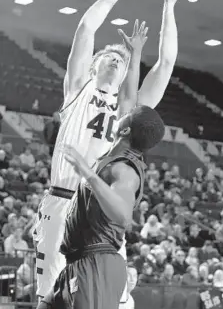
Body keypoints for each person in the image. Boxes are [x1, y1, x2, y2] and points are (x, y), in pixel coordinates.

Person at [34, 0, 197, 299]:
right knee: (49, 297)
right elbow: (85, 31)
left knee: (117, 301)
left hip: (103, 213)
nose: (115, 58)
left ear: (126, 75)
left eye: (121, 59)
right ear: (94, 65)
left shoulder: (131, 108)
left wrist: (170, 4)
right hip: (63, 200)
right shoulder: (78, 89)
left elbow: (166, 64)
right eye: (108, 55)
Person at [37, 105, 165, 309]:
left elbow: (123, 215)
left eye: (125, 116)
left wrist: (87, 173)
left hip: (97, 264)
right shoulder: (110, 160)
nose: (120, 115)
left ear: (125, 130)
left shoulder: (124, 170)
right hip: (76, 263)